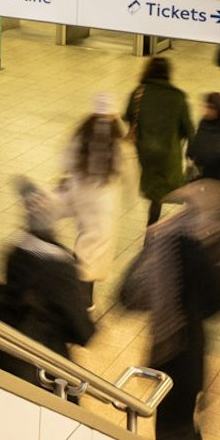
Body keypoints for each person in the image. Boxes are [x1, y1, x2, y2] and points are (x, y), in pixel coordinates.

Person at [129, 179, 220, 440]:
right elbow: (215, 307)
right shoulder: (198, 249)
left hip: (163, 344)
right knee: (178, 424)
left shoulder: (164, 237)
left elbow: (133, 296)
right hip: (185, 349)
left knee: (170, 417)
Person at [0, 179, 95, 393]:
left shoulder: (14, 253)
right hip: (45, 363)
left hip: (9, 359)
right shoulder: (61, 266)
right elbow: (81, 330)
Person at [61, 96, 125, 307]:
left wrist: (68, 180)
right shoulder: (115, 138)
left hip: (81, 193)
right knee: (93, 248)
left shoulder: (84, 132)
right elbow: (123, 167)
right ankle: (83, 299)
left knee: (85, 240)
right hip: (102, 201)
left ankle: (80, 293)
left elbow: (67, 158)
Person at [126, 57, 193, 226]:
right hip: (169, 154)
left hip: (145, 152)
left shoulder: (139, 93)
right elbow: (188, 129)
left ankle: (152, 227)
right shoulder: (177, 97)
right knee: (167, 190)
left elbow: (128, 117)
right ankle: (167, 228)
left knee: (155, 193)